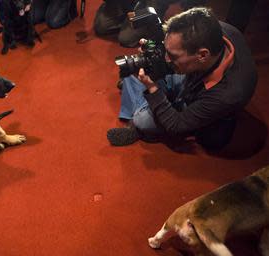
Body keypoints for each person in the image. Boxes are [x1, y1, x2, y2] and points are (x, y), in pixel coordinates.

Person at [107, 7, 258, 151]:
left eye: (172, 55)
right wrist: (154, 49)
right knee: (139, 66)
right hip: (191, 73)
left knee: (142, 120)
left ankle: (137, 119)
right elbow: (170, 51)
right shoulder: (211, 29)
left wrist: (152, 88)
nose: (167, 59)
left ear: (202, 55)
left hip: (205, 98)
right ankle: (145, 91)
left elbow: (176, 124)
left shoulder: (228, 94)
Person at [94, 0, 206, 48]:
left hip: (162, 3)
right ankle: (130, 11)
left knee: (125, 38)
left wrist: (180, 5)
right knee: (101, 26)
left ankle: (151, 24)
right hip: (129, 2)